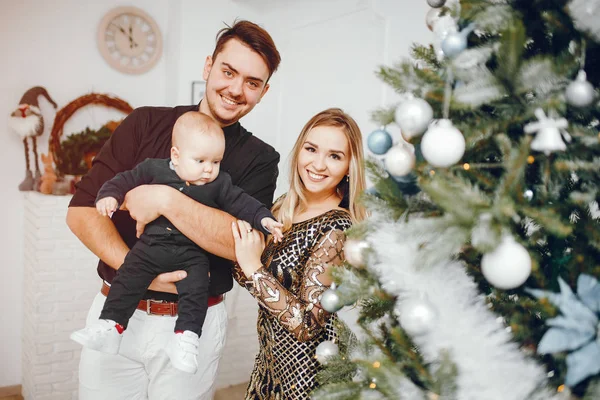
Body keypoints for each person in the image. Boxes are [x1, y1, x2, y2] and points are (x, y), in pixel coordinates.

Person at [66, 20, 281, 400]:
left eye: (252, 82)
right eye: (228, 72)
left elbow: (242, 247)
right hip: (116, 310)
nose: (235, 89)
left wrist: (166, 200)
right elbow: (82, 212)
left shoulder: (261, 159)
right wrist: (142, 274)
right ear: (208, 66)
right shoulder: (144, 122)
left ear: (263, 92)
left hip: (193, 324)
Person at [70, 112, 283, 374]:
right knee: (128, 275)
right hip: (150, 248)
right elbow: (123, 180)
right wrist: (110, 197)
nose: (209, 169)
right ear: (176, 156)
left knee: (196, 286)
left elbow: (244, 204)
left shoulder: (219, 183)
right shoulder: (153, 169)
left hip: (191, 255)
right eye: (201, 160)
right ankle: (110, 326)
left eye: (216, 162)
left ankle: (186, 337)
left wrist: (265, 220)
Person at [231, 108, 368, 399]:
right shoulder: (284, 206)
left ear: (349, 166)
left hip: (308, 380)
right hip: (269, 368)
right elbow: (245, 266)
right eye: (311, 149)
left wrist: (253, 268)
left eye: (334, 155)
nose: (318, 164)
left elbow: (307, 325)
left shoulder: (337, 226)